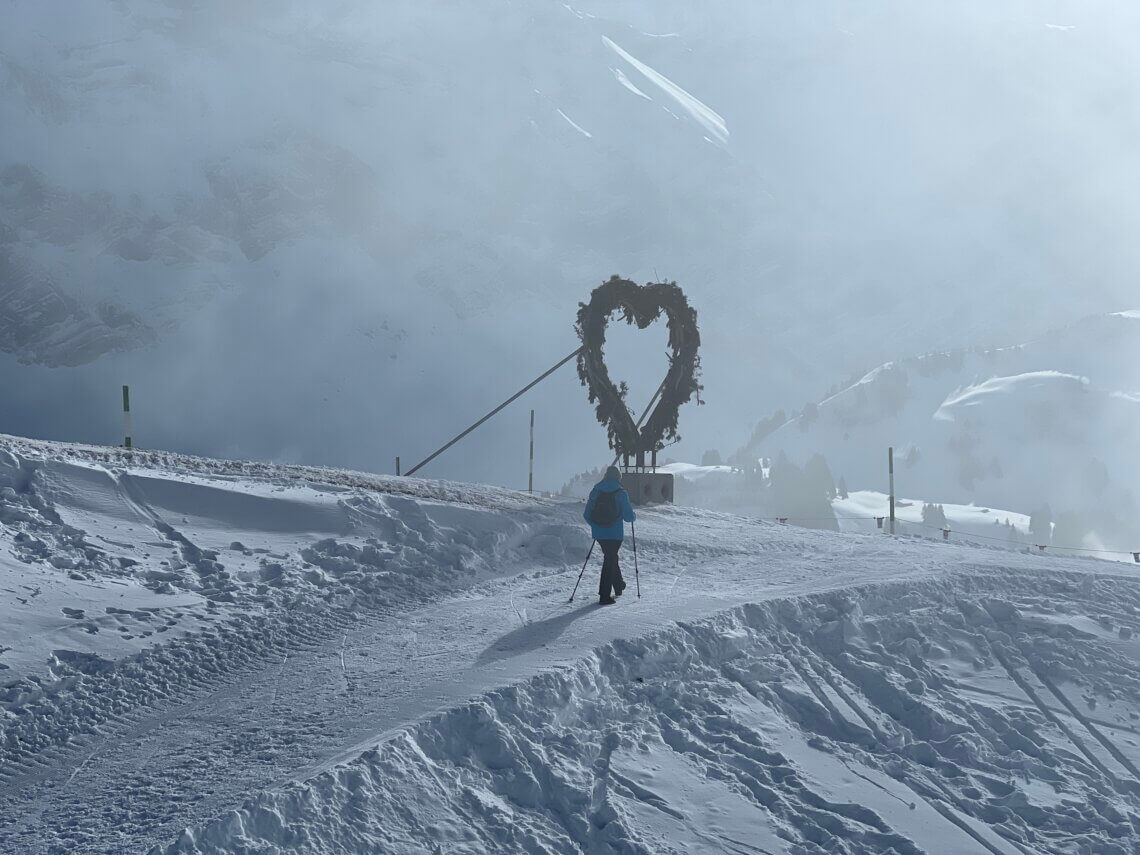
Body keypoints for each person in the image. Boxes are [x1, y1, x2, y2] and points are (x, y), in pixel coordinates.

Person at [583, 465, 636, 605]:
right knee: (610, 559)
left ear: (605, 476)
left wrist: (598, 527)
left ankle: (618, 586)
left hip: (599, 535)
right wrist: (634, 515)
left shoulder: (596, 491)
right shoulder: (620, 492)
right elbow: (628, 517)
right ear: (618, 477)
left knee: (611, 557)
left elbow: (586, 515)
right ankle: (604, 595)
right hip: (614, 534)